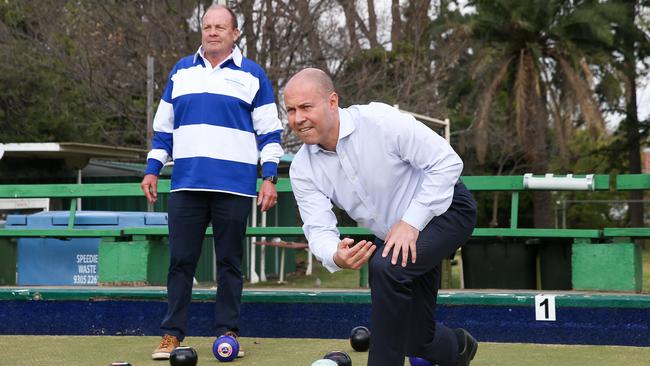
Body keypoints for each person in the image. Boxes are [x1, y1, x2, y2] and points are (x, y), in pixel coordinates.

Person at [285, 68, 478, 366]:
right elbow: (318, 228)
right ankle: (458, 348)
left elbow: (447, 162)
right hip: (395, 235)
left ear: (333, 101)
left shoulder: (380, 121)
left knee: (386, 267)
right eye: (291, 110)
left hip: (448, 209)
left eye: (306, 107)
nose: (298, 119)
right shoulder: (302, 169)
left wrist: (411, 222)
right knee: (416, 338)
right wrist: (334, 255)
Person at [141, 4, 284, 360]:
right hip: (186, 185)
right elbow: (163, 132)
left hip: (234, 188)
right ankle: (171, 335)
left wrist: (269, 177)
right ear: (202, 31)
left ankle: (227, 332)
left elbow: (271, 133)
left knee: (230, 263)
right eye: (207, 26)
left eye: (221, 26)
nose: (213, 32)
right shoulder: (180, 72)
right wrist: (152, 169)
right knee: (180, 262)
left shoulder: (253, 76)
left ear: (235, 33)